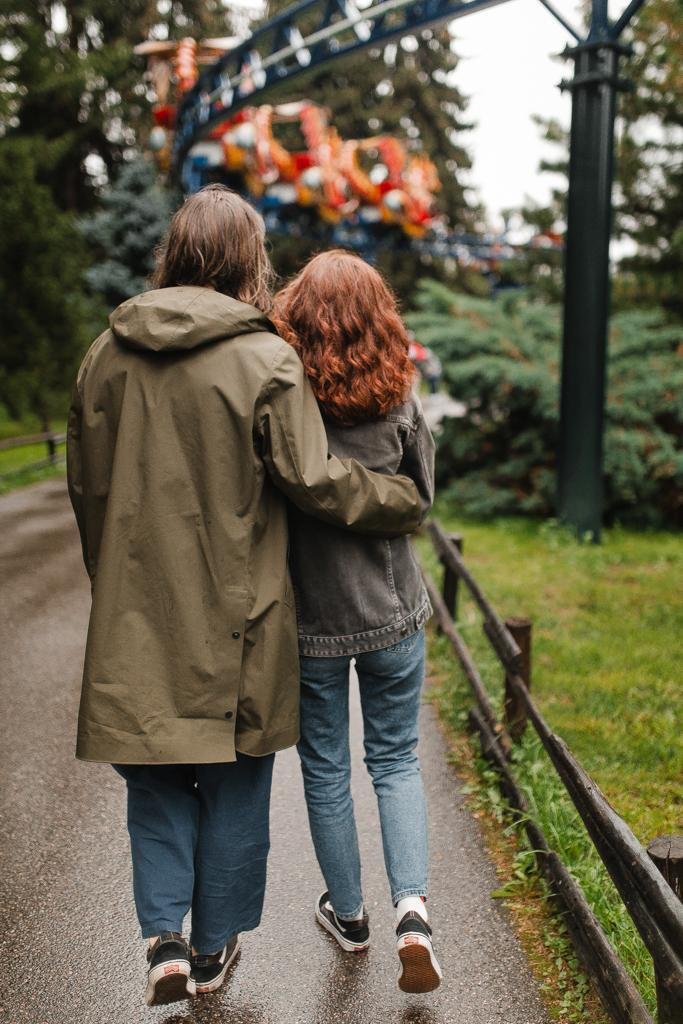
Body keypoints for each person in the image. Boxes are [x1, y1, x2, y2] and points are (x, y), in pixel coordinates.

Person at [66, 186, 423, 1008]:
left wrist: (110, 579)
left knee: (154, 777)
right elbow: (314, 481)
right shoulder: (265, 361)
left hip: (135, 610)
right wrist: (398, 499)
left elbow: (85, 486)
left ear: (174, 253)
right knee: (233, 779)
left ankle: (163, 935)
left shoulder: (104, 355)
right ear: (248, 261)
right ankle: (212, 947)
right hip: (242, 614)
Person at [273, 250, 442, 994]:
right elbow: (421, 494)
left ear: (298, 318)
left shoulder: (285, 400)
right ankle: (413, 913)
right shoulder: (397, 398)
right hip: (392, 611)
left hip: (311, 620)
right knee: (396, 760)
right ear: (380, 319)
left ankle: (349, 915)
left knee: (326, 768)